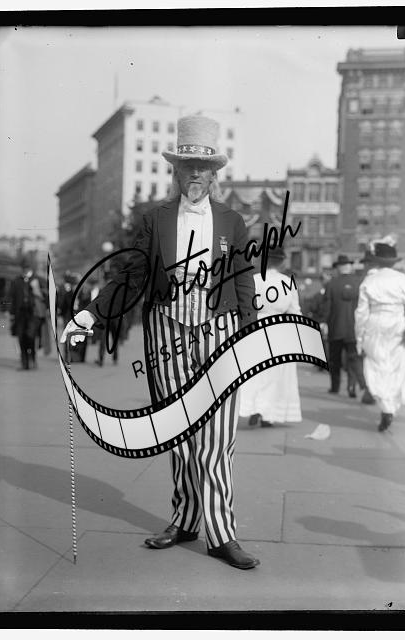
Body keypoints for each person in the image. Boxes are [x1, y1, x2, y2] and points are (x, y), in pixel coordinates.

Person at [60, 115, 260, 570]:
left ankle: (222, 534)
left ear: (215, 173)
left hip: (220, 330)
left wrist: (248, 330)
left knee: (217, 437)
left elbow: (244, 279)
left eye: (202, 167)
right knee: (178, 431)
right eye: (187, 166)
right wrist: (89, 314)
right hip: (166, 326)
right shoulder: (155, 219)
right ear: (175, 170)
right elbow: (130, 276)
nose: (195, 174)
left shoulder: (233, 221)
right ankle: (186, 519)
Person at [239, 247, 302, 427]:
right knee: (275, 373)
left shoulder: (254, 280)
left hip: (256, 325)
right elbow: (295, 311)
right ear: (281, 262)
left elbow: (244, 307)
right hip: (279, 328)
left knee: (255, 371)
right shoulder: (287, 282)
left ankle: (254, 407)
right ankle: (268, 413)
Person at [355, 238, 405, 432]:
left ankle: (385, 405)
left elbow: (361, 313)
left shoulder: (370, 281)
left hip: (376, 322)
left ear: (376, 260)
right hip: (397, 322)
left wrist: (360, 337)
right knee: (396, 365)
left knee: (376, 364)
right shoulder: (404, 280)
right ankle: (391, 406)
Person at [323, 254, 373, 402]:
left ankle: (335, 386)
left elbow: (327, 307)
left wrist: (324, 323)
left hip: (336, 327)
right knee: (353, 359)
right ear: (350, 266)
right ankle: (352, 387)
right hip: (354, 328)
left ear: (338, 268)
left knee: (335, 360)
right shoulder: (359, 283)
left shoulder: (331, 284)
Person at [9, 257, 42, 370]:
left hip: (33, 314)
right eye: (23, 268)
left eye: (27, 267)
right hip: (20, 314)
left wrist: (37, 290)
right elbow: (11, 298)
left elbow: (45, 296)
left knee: (30, 336)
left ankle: (32, 359)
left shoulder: (38, 280)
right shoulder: (16, 281)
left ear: (30, 268)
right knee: (21, 337)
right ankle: (24, 363)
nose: (25, 270)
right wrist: (10, 312)